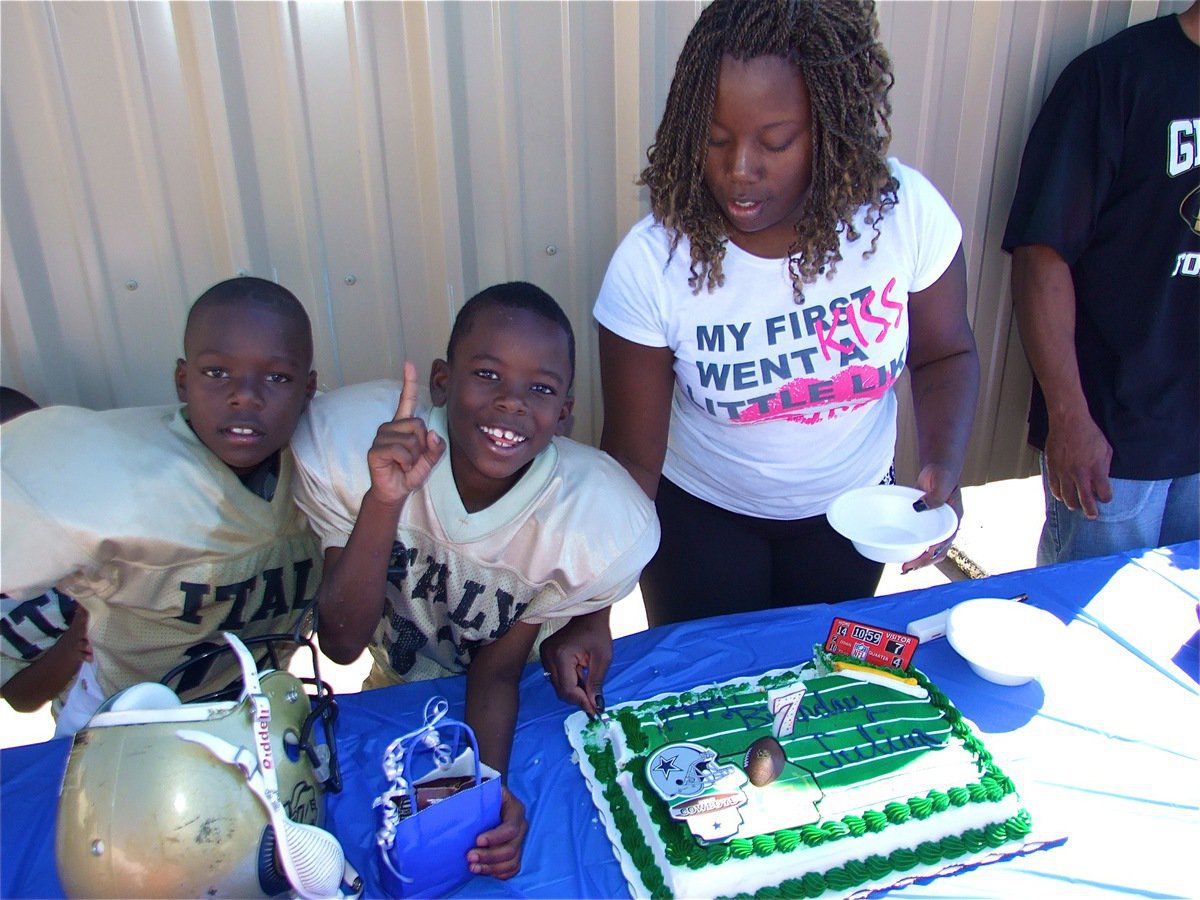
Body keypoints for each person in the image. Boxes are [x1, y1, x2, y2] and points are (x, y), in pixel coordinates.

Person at [594, 0, 979, 627]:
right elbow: (632, 464)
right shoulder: (652, 264)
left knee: (815, 684)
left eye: (774, 142)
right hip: (702, 518)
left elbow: (946, 354)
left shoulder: (901, 216)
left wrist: (944, 461)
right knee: (714, 700)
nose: (739, 170)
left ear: (831, 126)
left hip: (852, 512)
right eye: (716, 139)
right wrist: (592, 605)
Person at [291, 281, 659, 879]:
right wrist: (384, 501)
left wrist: (484, 789)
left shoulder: (579, 516)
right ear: (442, 381)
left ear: (564, 412)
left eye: (539, 389)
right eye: (488, 374)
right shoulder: (358, 441)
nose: (512, 403)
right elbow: (339, 643)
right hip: (387, 686)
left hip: (508, 703)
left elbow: (498, 669)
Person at [0, 277, 322, 735]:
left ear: (308, 389)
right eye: (216, 372)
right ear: (181, 380)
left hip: (255, 702)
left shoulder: (322, 460)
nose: (245, 394)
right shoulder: (116, 478)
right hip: (124, 719)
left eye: (276, 377)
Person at [1003, 2, 1199, 565]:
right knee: (1088, 633)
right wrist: (1069, 417)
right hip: (1116, 443)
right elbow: (1042, 256)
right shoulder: (1115, 77)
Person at [0, 388, 93, 717]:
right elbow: (20, 698)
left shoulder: (97, 514)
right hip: (88, 722)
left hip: (182, 682)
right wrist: (76, 639)